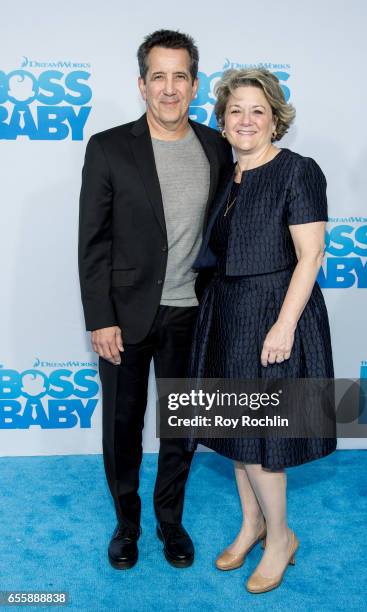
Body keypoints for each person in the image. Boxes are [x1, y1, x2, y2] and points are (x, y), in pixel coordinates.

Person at [78, 29, 232, 570]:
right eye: (159, 77)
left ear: (194, 85)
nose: (170, 89)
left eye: (180, 77)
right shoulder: (108, 147)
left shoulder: (217, 146)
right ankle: (127, 522)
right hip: (124, 315)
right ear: (142, 84)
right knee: (122, 424)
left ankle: (170, 521)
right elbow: (93, 242)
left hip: (192, 312)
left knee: (181, 426)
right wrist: (100, 317)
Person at [187, 68, 337, 593]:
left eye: (257, 110)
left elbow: (311, 254)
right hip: (228, 313)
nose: (245, 120)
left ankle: (281, 539)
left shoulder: (297, 170)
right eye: (235, 111)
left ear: (275, 119)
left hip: (274, 313)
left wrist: (284, 326)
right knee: (234, 434)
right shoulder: (229, 173)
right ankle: (251, 526)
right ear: (223, 122)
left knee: (261, 442)